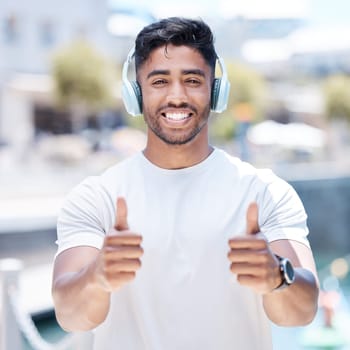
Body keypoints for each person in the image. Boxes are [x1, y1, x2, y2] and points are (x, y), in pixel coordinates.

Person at [52, 17, 319, 350]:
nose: (176, 96)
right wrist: (97, 276)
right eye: (159, 81)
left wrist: (278, 277)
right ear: (135, 93)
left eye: (192, 80)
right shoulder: (96, 197)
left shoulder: (265, 191)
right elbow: (69, 315)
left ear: (216, 90)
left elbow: (302, 311)